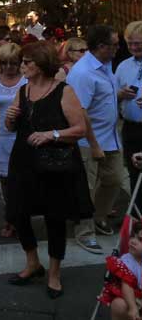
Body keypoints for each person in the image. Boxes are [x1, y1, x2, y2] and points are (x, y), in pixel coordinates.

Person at [4, 41, 90, 299]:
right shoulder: (23, 90)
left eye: (27, 62)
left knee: (55, 217)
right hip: (24, 162)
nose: (22, 66)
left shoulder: (64, 91)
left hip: (55, 164)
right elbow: (13, 128)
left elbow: (79, 129)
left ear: (40, 65)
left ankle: (54, 272)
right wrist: (10, 119)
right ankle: (32, 262)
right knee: (18, 213)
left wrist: (51, 134)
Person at [67, 25, 122, 253]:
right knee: (86, 189)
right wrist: (94, 145)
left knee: (115, 180)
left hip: (110, 137)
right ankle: (84, 232)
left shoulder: (106, 65)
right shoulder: (83, 73)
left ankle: (98, 216)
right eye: (115, 44)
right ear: (101, 47)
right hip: (88, 142)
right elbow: (80, 112)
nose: (119, 48)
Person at [0, 43, 27, 238]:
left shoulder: (26, 80)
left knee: (21, 180)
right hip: (0, 137)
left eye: (13, 63)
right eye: (3, 62)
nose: (8, 67)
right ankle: (10, 218)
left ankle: (20, 217)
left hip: (21, 136)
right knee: (5, 182)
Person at [116, 21, 142, 210]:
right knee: (134, 174)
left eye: (138, 43)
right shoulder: (123, 66)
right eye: (130, 43)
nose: (133, 47)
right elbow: (112, 96)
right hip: (131, 129)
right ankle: (137, 220)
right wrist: (120, 95)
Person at [101, 220, 142, 319]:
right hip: (132, 297)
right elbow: (127, 285)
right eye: (133, 236)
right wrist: (133, 307)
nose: (132, 241)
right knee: (118, 305)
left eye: (140, 239)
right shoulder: (128, 261)